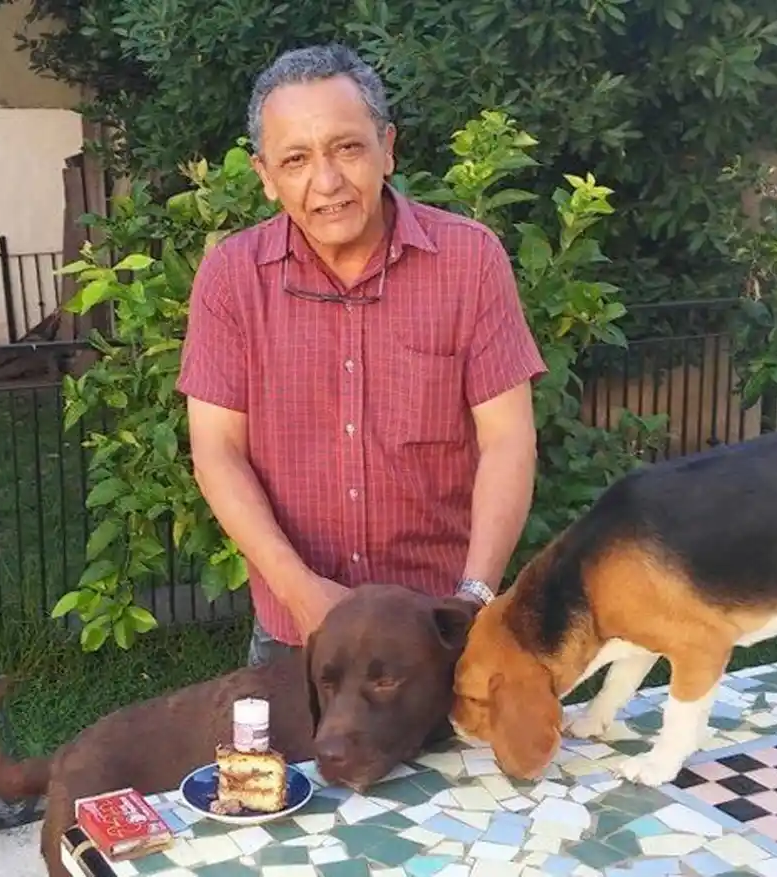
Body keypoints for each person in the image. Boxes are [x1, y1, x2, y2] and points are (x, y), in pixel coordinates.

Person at [177, 43, 544, 666]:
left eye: (347, 148)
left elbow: (507, 440)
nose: (326, 183)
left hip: (441, 624)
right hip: (297, 632)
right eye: (296, 159)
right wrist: (302, 595)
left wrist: (474, 599)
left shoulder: (470, 262)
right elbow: (218, 452)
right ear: (265, 175)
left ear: (387, 148)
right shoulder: (231, 278)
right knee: (285, 769)